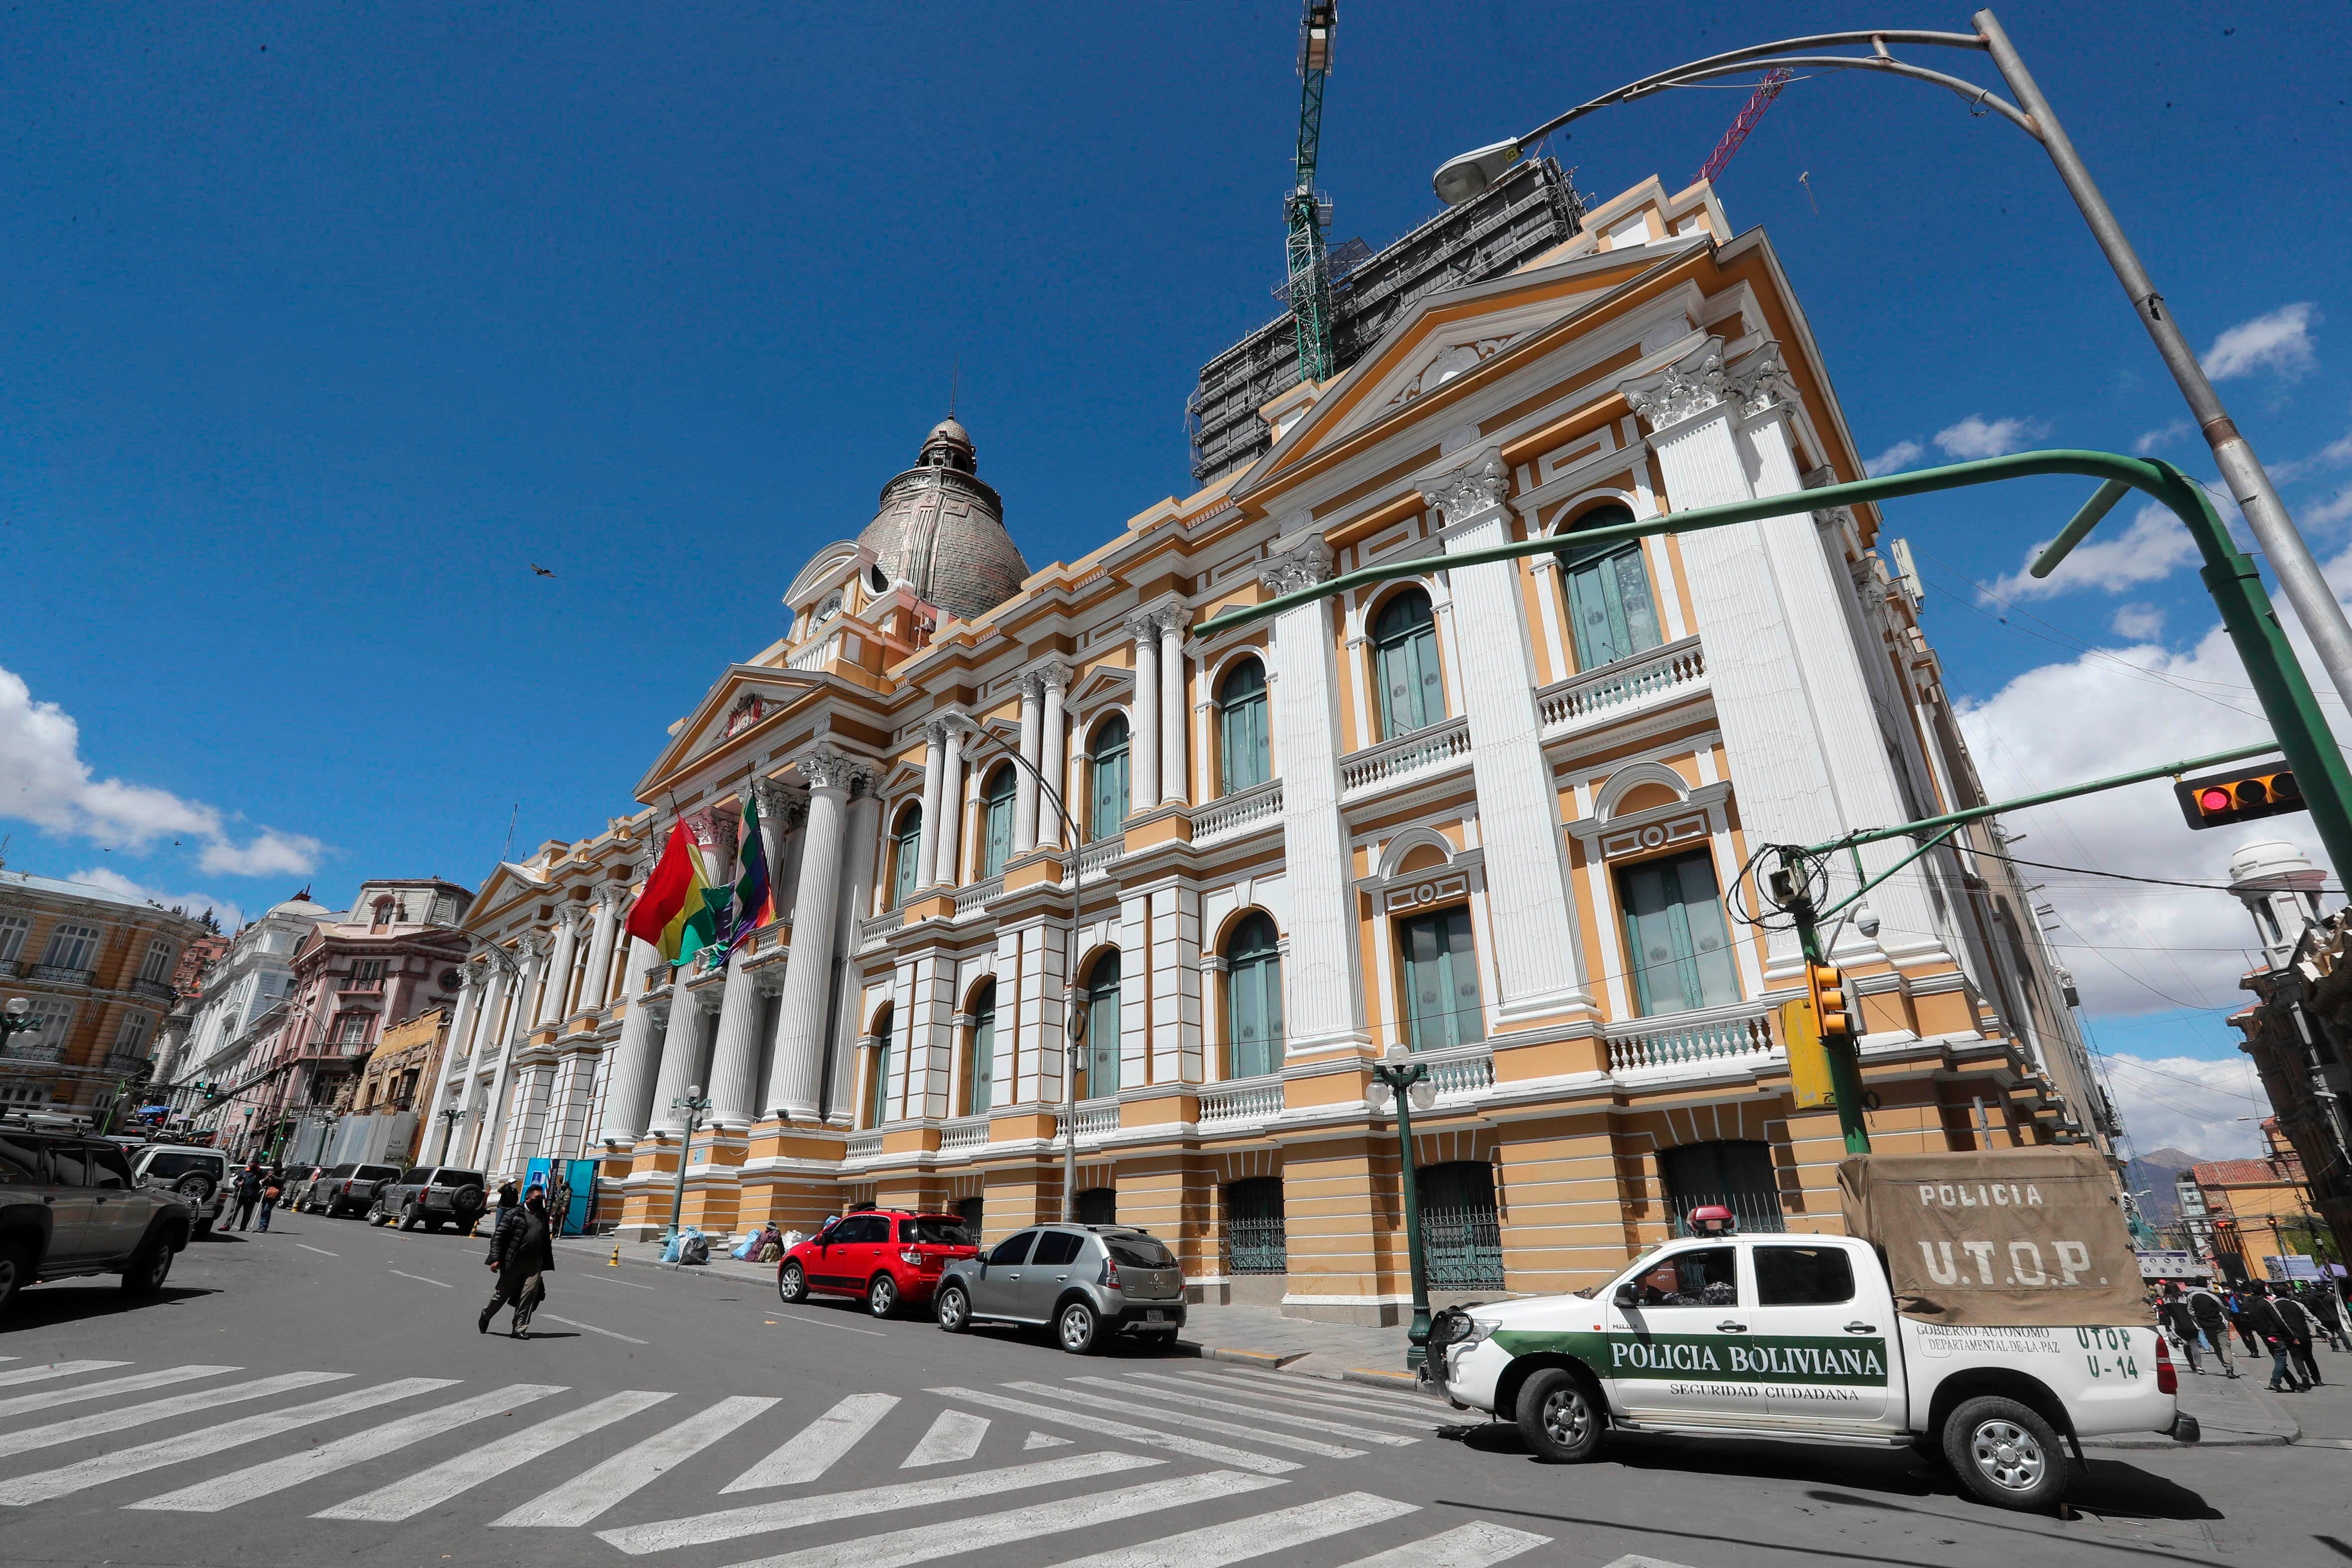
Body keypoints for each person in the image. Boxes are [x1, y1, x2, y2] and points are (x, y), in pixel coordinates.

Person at [480, 1185, 555, 1338]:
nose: (540, 1201)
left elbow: (545, 1239)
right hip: (514, 1261)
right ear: (528, 1198)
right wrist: (495, 1259)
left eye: (542, 1198)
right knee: (502, 1294)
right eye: (537, 1198)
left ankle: (519, 1329)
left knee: (529, 1295)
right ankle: (486, 1315)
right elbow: (498, 1236)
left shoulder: (543, 1215)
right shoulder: (514, 1214)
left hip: (534, 1263)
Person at [2242, 1285, 2307, 1392]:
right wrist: (2291, 1337)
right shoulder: (2266, 1303)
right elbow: (2279, 1320)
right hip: (2274, 1334)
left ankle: (2294, 1384)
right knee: (2281, 1360)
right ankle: (2275, 1382)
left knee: (2279, 1360)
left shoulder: (2247, 1303)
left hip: (2264, 1335)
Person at [2274, 1287, 2325, 1388]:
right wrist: (2326, 1332)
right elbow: (2312, 1318)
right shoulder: (2298, 1304)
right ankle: (2317, 1380)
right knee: (2309, 1358)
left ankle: (2303, 1374)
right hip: (2305, 1334)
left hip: (2290, 1336)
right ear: (2288, 1294)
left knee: (2297, 1357)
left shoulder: (2274, 1306)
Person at [2186, 1284, 2238, 1379]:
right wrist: (2227, 1320)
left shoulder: (2191, 1296)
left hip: (2206, 1327)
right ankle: (2229, 1370)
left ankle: (2225, 1365)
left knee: (2217, 1347)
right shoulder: (2213, 1296)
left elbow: (2191, 1311)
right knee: (2225, 1348)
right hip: (2220, 1325)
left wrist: (2199, 1322)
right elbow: (2223, 1308)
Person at [2158, 1285, 2203, 1374]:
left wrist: (2168, 1329)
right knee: (2194, 1345)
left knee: (2186, 1345)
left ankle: (2192, 1364)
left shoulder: (2165, 1300)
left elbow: (2166, 1316)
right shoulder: (2186, 1298)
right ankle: (2199, 1366)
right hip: (2191, 1325)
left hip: (2177, 1326)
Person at [232, 1164, 264, 1231]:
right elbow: (236, 1181)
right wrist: (238, 1183)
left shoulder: (260, 1174)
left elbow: (263, 1183)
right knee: (234, 1211)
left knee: (247, 1214)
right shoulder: (244, 1172)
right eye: (251, 1165)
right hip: (240, 1194)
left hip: (251, 1196)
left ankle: (243, 1227)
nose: (251, 1167)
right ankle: (227, 1225)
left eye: (254, 1165)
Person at [256, 1169, 283, 1233]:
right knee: (263, 1210)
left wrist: (273, 1176)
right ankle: (261, 1226)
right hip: (267, 1193)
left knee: (267, 1210)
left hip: (274, 1195)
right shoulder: (270, 1175)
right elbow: (263, 1183)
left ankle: (264, 1226)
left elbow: (281, 1181)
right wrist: (266, 1179)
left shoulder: (283, 1173)